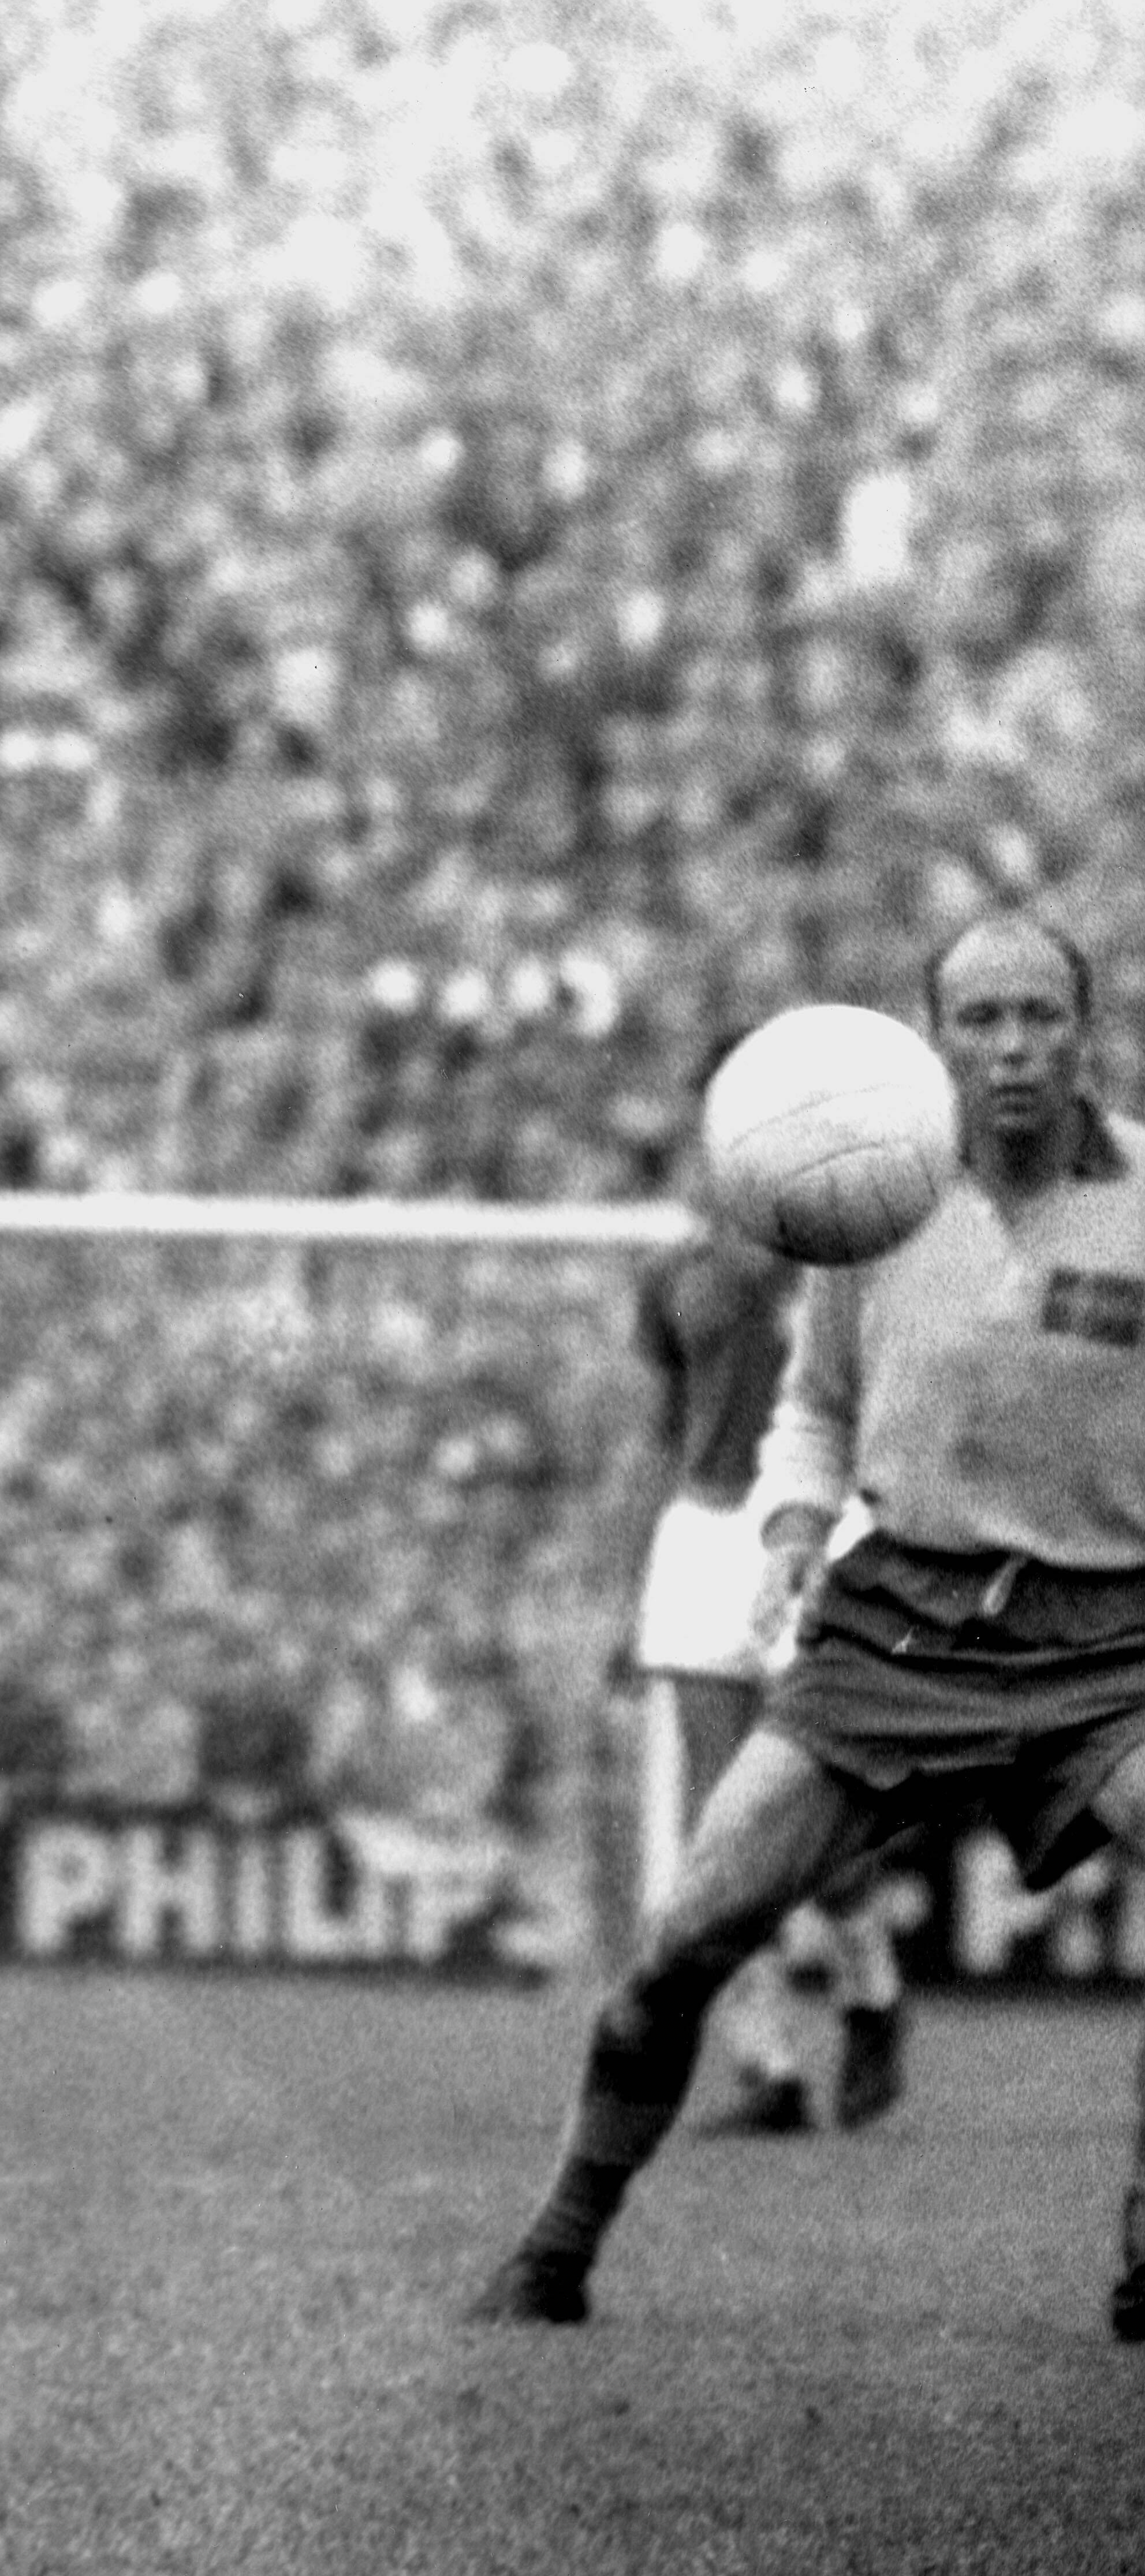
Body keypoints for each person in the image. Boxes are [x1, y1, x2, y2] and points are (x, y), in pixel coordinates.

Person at [472, 912, 1145, 2329]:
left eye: (1038, 1014)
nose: (1012, 1046)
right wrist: (788, 1525)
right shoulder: (870, 1203)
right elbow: (815, 1407)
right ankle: (555, 2244)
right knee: (685, 1937)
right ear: (934, 1037)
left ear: (1083, 1029)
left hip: (1109, 1643)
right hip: (895, 1623)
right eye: (979, 1019)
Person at [626, 1160, 906, 2138]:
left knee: (801, 1797)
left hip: (803, 1519)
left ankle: (868, 1980)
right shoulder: (670, 1276)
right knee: (716, 1815)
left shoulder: (838, 1261)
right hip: (699, 1533)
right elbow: (666, 1430)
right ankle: (769, 2061)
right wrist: (639, 1555)